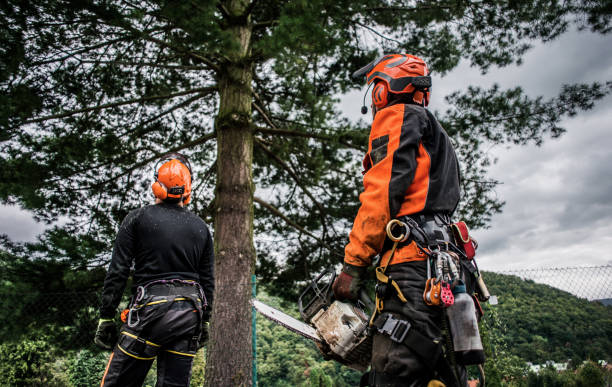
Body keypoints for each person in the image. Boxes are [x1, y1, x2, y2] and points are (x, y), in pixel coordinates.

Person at [332, 54, 468, 387]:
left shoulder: (398, 117)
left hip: (411, 267)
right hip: (446, 265)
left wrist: (353, 264)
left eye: (375, 89)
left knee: (395, 371)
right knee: (441, 371)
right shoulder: (436, 134)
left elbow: (381, 196)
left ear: (384, 88)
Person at [95, 152, 214, 387]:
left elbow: (118, 270)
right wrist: (205, 322)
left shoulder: (137, 219)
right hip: (189, 316)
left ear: (156, 186)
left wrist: (106, 316)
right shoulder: (201, 228)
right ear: (187, 190)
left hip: (148, 314)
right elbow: (208, 280)